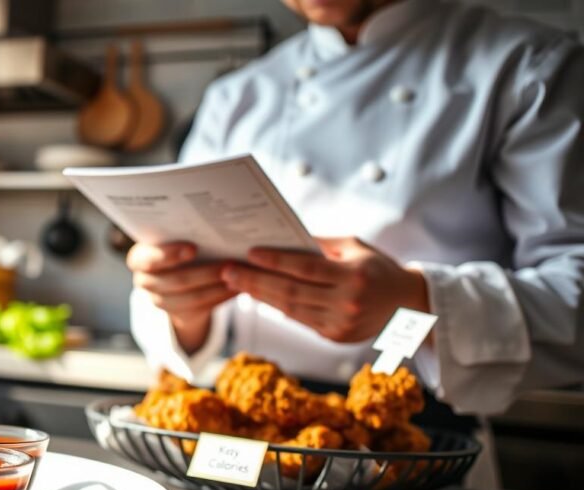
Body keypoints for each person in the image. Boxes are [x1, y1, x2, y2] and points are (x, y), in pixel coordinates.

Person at [128, 0, 584, 416]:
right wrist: (182, 304)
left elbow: (574, 301)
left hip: (419, 436)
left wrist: (417, 299)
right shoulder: (236, 97)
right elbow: (181, 311)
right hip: (252, 430)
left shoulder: (529, 67)